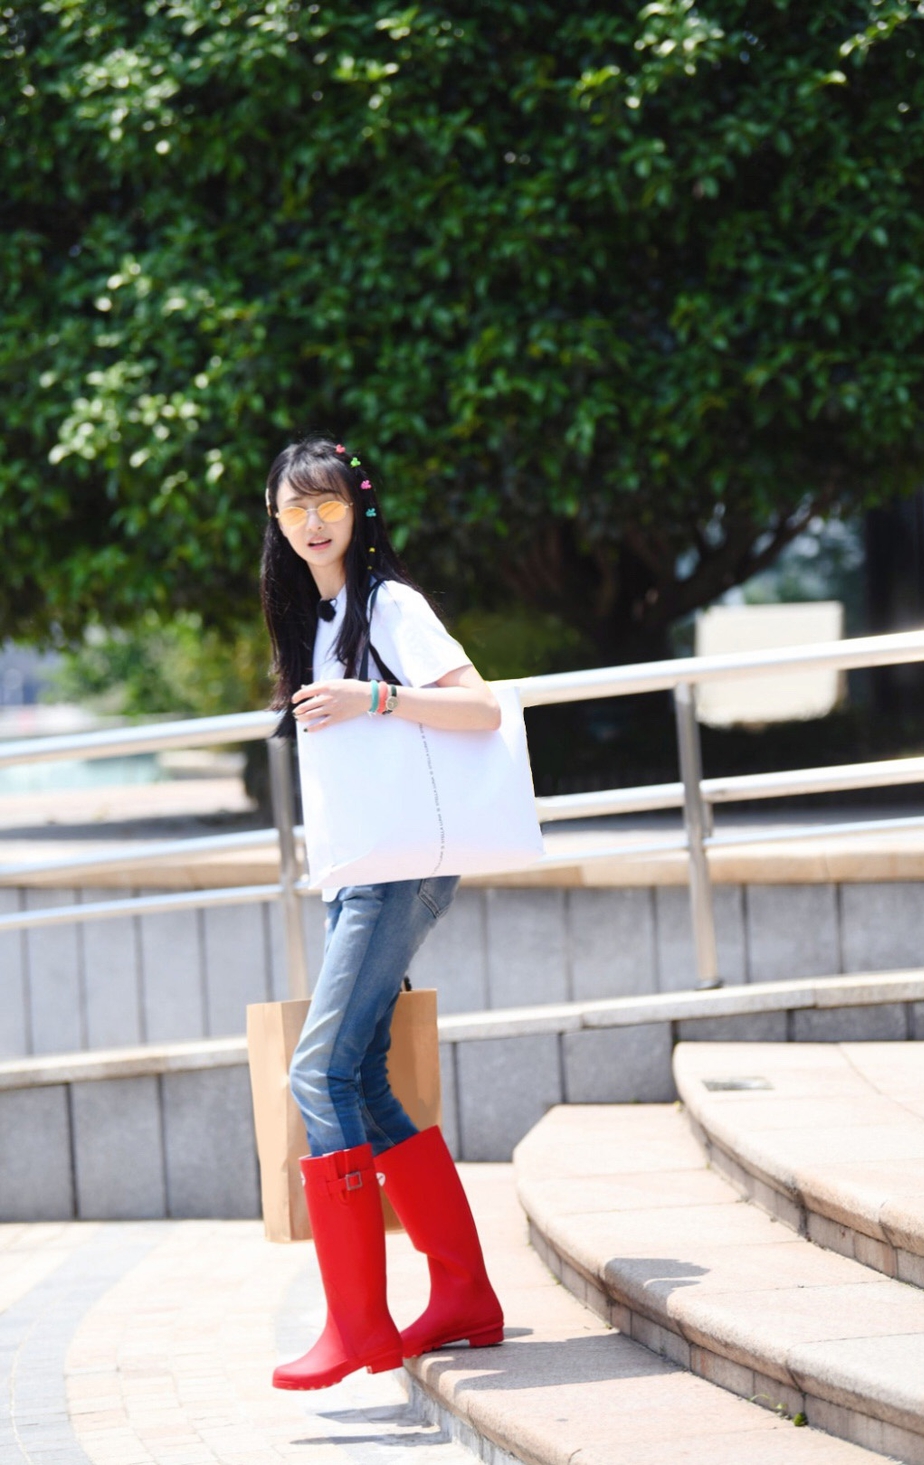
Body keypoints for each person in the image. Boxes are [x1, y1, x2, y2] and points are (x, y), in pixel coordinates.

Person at [260, 433, 504, 1391]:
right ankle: (463, 1297)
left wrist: (376, 697)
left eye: (329, 503)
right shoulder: (312, 615)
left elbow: (480, 709)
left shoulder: (389, 606)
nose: (314, 521)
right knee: (358, 1076)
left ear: (359, 509)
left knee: (316, 1072)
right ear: (276, 522)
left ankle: (357, 1322)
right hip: (362, 871)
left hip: (401, 870)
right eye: (294, 507)